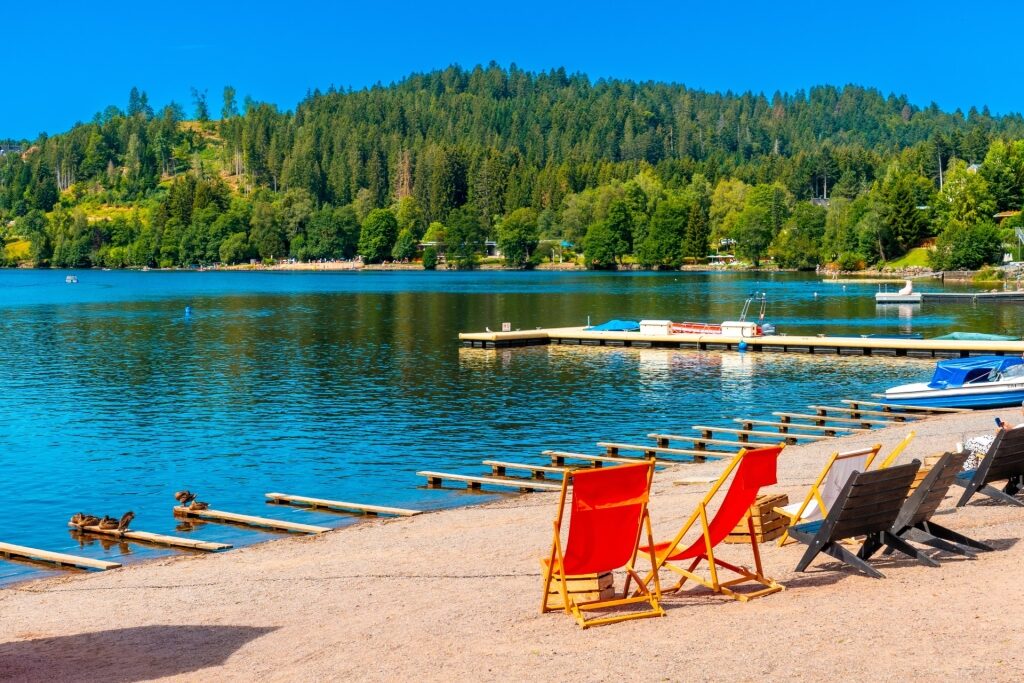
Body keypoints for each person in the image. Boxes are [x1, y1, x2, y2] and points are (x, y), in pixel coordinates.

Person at [961, 401, 1024, 470]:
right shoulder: (1021, 426)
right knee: (979, 445)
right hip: (1015, 453)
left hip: (1001, 451)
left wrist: (1000, 433)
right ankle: (969, 470)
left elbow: (1005, 438)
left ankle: (968, 471)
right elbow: (1016, 434)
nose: (1021, 411)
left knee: (971, 442)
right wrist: (1010, 428)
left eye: (1022, 408)